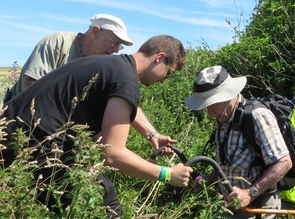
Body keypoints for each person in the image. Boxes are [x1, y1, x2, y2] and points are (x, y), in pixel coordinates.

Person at [1, 35, 192, 219]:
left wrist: (151, 135)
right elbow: (112, 154)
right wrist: (167, 174)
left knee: (83, 192)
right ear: (159, 58)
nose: (165, 81)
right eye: (168, 73)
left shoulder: (110, 65)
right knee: (108, 208)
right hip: (35, 147)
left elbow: (109, 125)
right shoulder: (126, 80)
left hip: (12, 138)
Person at [185, 66, 292, 219]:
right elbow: (228, 162)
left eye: (212, 104)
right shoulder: (223, 117)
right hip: (228, 209)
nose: (209, 113)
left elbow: (284, 163)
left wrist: (250, 192)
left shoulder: (257, 116)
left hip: (256, 209)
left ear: (228, 95)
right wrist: (207, 179)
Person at [3, 14, 176, 151]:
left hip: (57, 134)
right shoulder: (58, 42)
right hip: (20, 124)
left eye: (119, 46)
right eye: (114, 42)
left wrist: (151, 134)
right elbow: (32, 86)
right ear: (95, 31)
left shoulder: (104, 63)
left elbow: (122, 99)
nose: (115, 50)